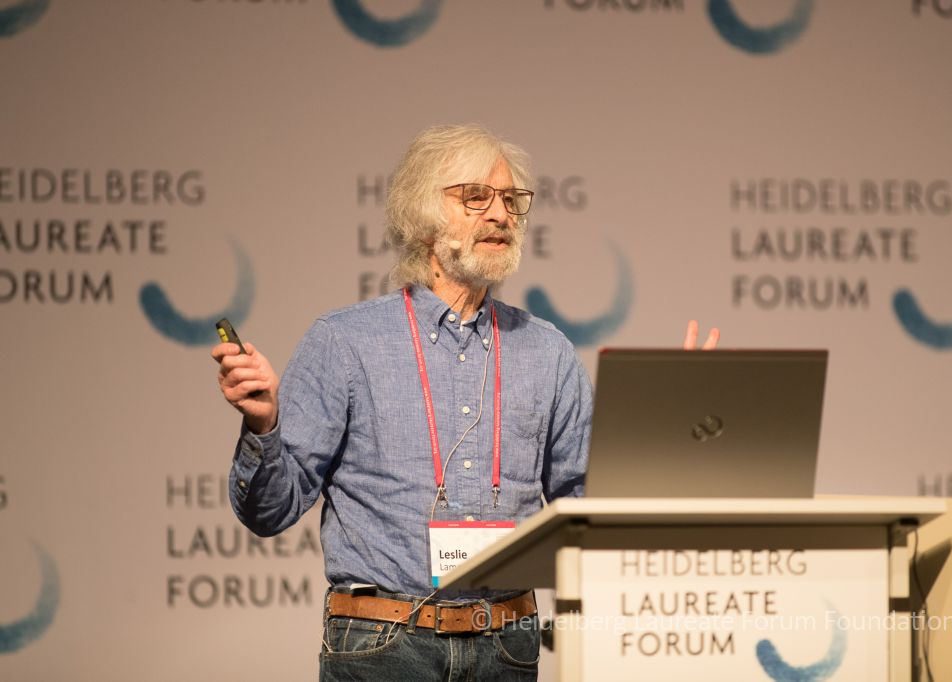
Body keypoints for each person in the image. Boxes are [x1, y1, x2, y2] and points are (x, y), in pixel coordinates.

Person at [212, 124, 719, 681]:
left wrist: (666, 436)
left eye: (511, 200)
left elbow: (589, 511)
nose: (500, 214)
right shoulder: (345, 342)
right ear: (424, 216)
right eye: (476, 197)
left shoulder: (547, 351)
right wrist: (264, 426)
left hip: (507, 648)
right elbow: (270, 511)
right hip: (383, 648)